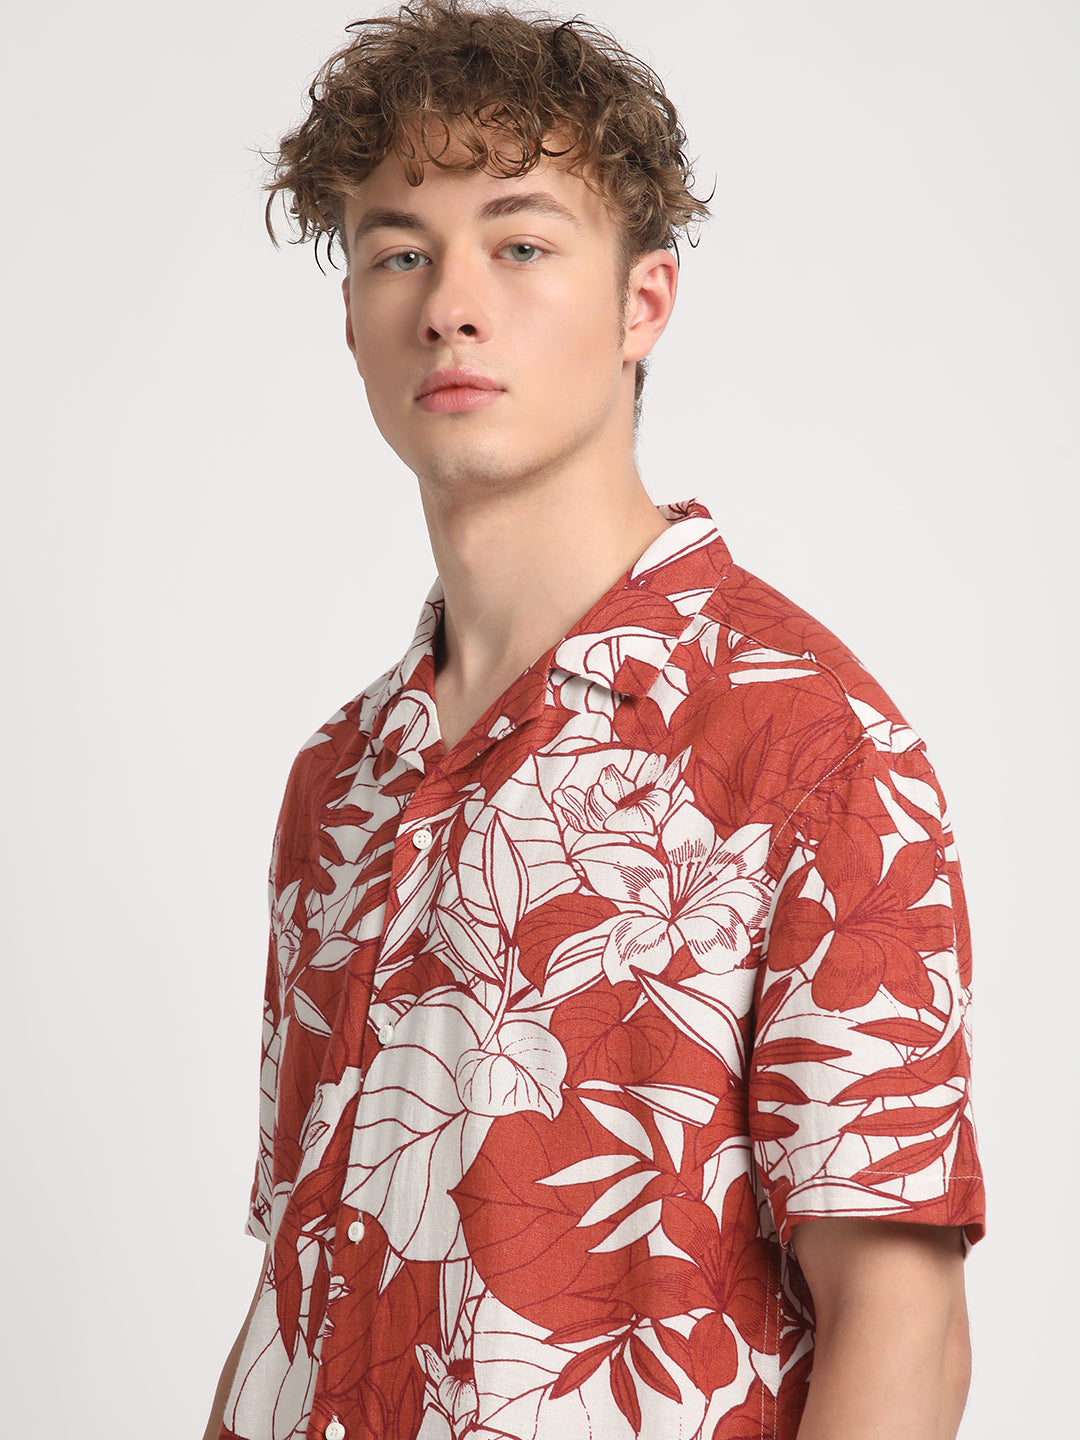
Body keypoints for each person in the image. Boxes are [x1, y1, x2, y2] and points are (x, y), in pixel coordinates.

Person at [203, 3, 987, 1438]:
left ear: (645, 304)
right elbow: (298, 1293)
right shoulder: (340, 781)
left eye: (519, 245)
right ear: (352, 317)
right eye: (398, 252)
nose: (450, 305)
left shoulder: (812, 748)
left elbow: (905, 1326)